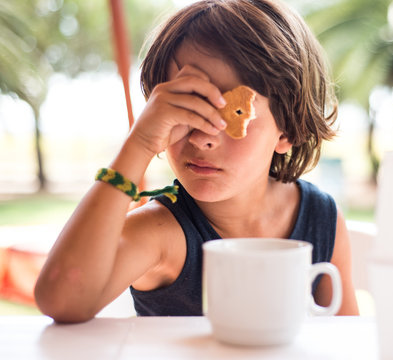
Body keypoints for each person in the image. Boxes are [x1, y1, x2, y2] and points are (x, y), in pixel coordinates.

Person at [34, 0, 359, 322]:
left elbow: (345, 339)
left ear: (286, 129)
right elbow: (62, 300)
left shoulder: (321, 218)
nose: (202, 137)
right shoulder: (158, 232)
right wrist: (140, 144)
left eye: (233, 115)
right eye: (185, 107)